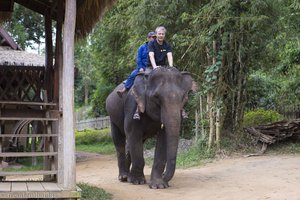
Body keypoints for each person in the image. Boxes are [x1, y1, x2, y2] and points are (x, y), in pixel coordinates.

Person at [148, 26, 188, 119]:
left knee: (176, 81)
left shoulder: (167, 44)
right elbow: (151, 55)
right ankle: (139, 107)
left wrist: (171, 67)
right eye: (159, 34)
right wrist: (154, 67)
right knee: (141, 81)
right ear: (156, 35)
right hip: (151, 67)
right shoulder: (152, 43)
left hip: (163, 67)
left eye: (162, 34)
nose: (161, 35)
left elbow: (169, 55)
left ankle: (181, 109)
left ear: (164, 35)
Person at [117, 32, 156, 97]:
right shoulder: (142, 47)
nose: (153, 39)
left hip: (153, 67)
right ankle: (124, 89)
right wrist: (141, 67)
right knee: (132, 75)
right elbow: (139, 59)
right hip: (142, 67)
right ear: (148, 38)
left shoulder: (156, 48)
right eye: (152, 37)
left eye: (155, 38)